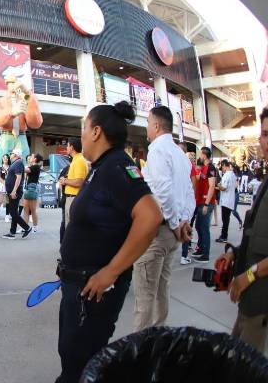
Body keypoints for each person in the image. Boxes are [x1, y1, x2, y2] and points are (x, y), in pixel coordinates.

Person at [57, 101, 162, 383]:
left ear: (96, 132)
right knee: (73, 357)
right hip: (78, 285)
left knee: (81, 365)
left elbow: (150, 216)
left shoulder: (117, 166)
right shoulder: (100, 167)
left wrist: (111, 271)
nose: (81, 136)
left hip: (93, 289)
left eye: (83, 129)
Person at [132, 106, 195, 331]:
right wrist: (184, 219)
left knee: (145, 297)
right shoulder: (179, 153)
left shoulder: (157, 150)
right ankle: (158, 339)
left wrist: (176, 221)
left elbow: (163, 191)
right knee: (161, 289)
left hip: (157, 233)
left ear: (156, 125)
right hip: (172, 234)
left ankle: (141, 352)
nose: (147, 127)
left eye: (148, 122)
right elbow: (189, 192)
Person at [217, 106, 268, 353]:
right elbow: (255, 232)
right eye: (265, 134)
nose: (265, 141)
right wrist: (235, 254)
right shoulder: (265, 182)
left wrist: (248, 276)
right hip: (249, 300)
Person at [192, 147, 218, 263]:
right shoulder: (202, 167)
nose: (199, 157)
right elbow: (197, 178)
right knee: (198, 226)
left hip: (206, 203)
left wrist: (207, 204)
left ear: (204, 155)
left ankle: (205, 254)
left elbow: (212, 186)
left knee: (204, 228)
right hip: (200, 202)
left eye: (200, 154)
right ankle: (201, 248)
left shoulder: (211, 168)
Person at [2, 149, 33, 239]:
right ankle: (12, 232)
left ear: (15, 155)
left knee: (13, 213)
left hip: (14, 192)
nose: (10, 154)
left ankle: (26, 228)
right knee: (14, 212)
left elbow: (18, 178)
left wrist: (14, 191)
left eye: (11, 153)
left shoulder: (18, 163)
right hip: (12, 191)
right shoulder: (16, 163)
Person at [59, 138, 87, 229]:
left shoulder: (79, 161)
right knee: (69, 228)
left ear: (72, 147)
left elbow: (79, 181)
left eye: (67, 145)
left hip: (74, 198)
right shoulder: (76, 160)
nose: (66, 148)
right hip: (71, 198)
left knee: (72, 229)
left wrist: (65, 181)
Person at [181, 151, 200, 264]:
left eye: (193, 157)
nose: (192, 159)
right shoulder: (189, 166)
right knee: (187, 226)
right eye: (190, 157)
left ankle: (186, 249)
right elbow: (193, 184)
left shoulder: (178, 164)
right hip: (187, 202)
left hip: (181, 202)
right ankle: (184, 256)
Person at [216, 160, 238, 243]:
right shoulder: (233, 175)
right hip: (230, 199)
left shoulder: (227, 175)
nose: (222, 168)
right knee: (226, 219)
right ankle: (224, 235)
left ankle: (224, 236)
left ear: (225, 165)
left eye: (222, 167)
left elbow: (224, 188)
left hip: (225, 200)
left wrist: (218, 185)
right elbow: (235, 186)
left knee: (224, 219)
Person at [22, 153, 43, 233]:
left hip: (32, 188)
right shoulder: (33, 166)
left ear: (35, 159)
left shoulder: (36, 166)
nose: (30, 157)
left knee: (33, 209)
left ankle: (35, 227)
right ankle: (25, 227)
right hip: (29, 188)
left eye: (32, 157)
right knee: (26, 209)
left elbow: (25, 170)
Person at [0, 153, 11, 224]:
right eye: (4, 158)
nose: (5, 159)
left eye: (6, 158)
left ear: (8, 159)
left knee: (8, 202)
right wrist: (4, 183)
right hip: (2, 185)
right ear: (2, 159)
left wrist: (8, 184)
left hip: (9, 185)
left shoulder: (11, 166)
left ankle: (7, 216)